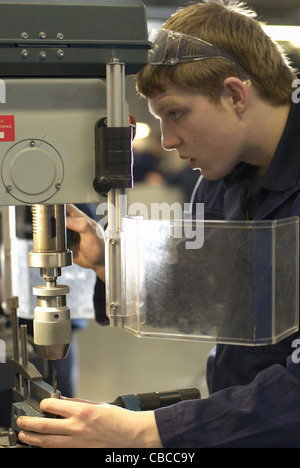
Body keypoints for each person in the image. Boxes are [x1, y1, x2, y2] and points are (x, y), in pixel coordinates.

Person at [16, 0, 300, 447]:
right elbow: (219, 297)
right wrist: (107, 262)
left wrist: (147, 432)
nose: (166, 140)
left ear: (235, 95)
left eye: (175, 112)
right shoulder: (222, 180)